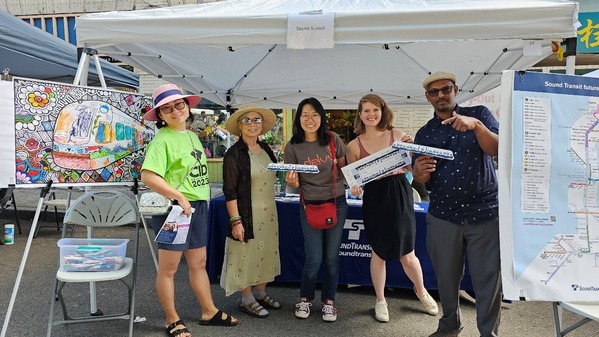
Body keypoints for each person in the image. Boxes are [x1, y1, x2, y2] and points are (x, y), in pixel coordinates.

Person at [141, 84, 237, 337]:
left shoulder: (192, 136)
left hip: (197, 207)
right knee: (169, 269)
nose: (175, 111)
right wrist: (179, 197)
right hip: (175, 210)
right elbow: (149, 176)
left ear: (187, 106)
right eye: (167, 108)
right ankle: (171, 319)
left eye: (178, 104)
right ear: (160, 115)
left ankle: (209, 310)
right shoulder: (162, 141)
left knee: (199, 263)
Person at [412, 71, 501, 337]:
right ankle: (450, 325)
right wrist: (419, 172)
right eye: (434, 92)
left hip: (484, 213)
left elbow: (497, 148)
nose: (441, 95)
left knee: (488, 280)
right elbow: (422, 179)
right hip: (443, 216)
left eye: (446, 89)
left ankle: (489, 333)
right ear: (428, 98)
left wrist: (476, 126)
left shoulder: (480, 114)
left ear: (456, 89)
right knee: (446, 278)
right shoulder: (424, 133)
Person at [345, 93, 438, 323]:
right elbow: (354, 178)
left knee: (408, 253)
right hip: (374, 198)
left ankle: (421, 291)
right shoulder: (353, 145)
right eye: (366, 110)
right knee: (379, 253)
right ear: (360, 114)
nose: (371, 114)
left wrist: (411, 150)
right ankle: (380, 300)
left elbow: (410, 167)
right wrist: (355, 187)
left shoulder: (396, 135)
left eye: (375, 109)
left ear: (382, 111)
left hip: (399, 192)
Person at [283, 97, 348, 322]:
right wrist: (292, 183)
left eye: (314, 115)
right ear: (298, 119)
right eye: (305, 115)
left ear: (322, 117)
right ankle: (305, 298)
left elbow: (344, 169)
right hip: (309, 206)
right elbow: (293, 183)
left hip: (337, 203)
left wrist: (357, 181)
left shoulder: (332, 139)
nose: (310, 120)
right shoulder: (292, 146)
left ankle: (329, 302)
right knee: (314, 258)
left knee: (331, 258)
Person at [221, 104, 281, 318]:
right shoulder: (233, 154)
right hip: (247, 214)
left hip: (269, 213)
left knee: (264, 254)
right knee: (244, 255)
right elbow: (229, 191)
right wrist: (236, 221)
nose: (253, 124)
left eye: (257, 120)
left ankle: (260, 292)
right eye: (247, 120)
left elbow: (275, 173)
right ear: (239, 125)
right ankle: (247, 298)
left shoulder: (265, 148)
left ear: (262, 125)